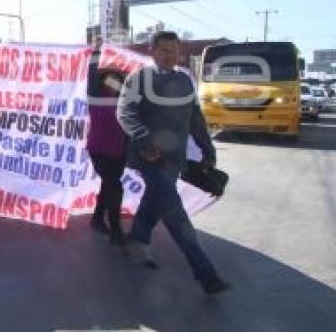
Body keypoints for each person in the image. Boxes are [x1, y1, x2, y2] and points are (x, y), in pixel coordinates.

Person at [116, 31, 231, 295]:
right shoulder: (139, 78)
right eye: (165, 51)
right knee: (175, 213)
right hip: (149, 156)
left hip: (175, 158)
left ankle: (136, 241)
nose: (171, 56)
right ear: (152, 50)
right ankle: (206, 274)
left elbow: (195, 119)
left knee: (154, 200)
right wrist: (144, 139)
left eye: (175, 51)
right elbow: (125, 113)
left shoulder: (184, 81)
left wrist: (208, 149)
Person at [86, 37, 128, 246]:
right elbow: (91, 75)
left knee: (109, 184)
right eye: (109, 79)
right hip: (99, 150)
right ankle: (116, 227)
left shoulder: (125, 101)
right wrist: (96, 52)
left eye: (117, 80)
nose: (114, 83)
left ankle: (96, 219)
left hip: (119, 151)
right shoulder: (94, 96)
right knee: (115, 187)